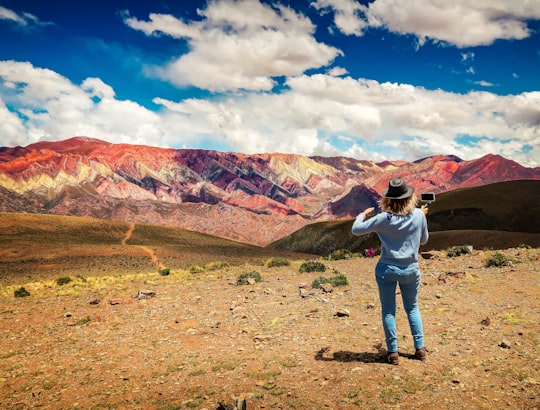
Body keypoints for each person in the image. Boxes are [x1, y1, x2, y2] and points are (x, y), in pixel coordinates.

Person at [351, 177, 429, 365]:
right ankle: (420, 349)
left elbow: (356, 229)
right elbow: (424, 241)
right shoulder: (419, 215)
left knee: (388, 311)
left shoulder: (382, 219)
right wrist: (422, 217)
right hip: (410, 269)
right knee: (412, 308)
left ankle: (393, 352)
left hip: (386, 268)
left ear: (387, 200)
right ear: (410, 198)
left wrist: (362, 214)